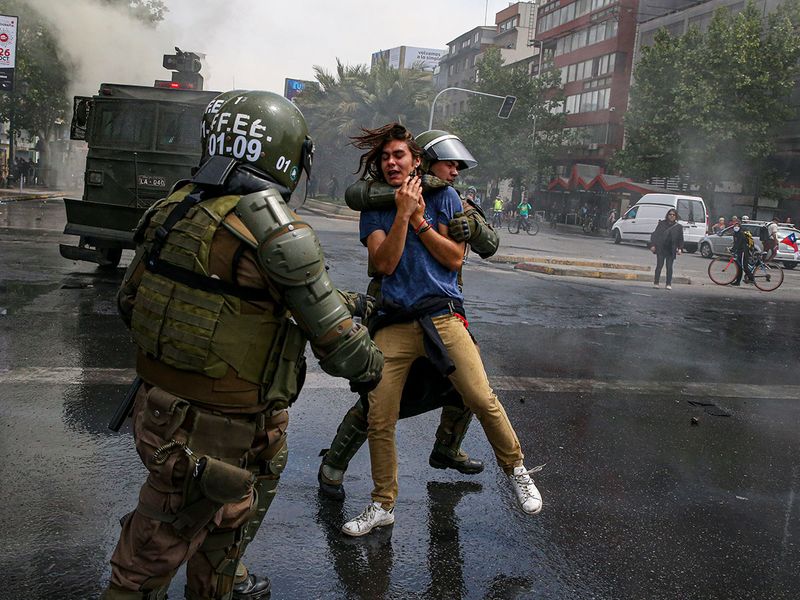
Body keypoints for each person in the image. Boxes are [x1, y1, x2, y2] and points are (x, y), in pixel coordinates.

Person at [102, 91, 384, 600]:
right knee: (150, 556)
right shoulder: (273, 229)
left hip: (158, 408)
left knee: (229, 513)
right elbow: (345, 353)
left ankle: (225, 580)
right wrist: (372, 363)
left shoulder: (177, 205)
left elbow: (132, 301)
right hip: (221, 426)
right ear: (284, 154)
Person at [340, 123, 542, 538]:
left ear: (416, 161)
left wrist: (419, 220)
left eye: (399, 155)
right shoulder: (375, 206)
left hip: (442, 315)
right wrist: (401, 214)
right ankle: (382, 504)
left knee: (480, 397)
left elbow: (453, 259)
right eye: (385, 157)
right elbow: (384, 264)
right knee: (379, 415)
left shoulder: (446, 197)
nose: (391, 162)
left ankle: (517, 470)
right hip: (395, 320)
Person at [317, 129, 498, 501]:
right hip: (393, 311)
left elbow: (489, 244)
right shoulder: (383, 198)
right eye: (448, 163)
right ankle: (334, 463)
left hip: (440, 310)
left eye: (458, 165)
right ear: (426, 163)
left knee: (469, 384)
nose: (455, 171)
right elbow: (360, 203)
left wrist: (474, 227)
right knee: (378, 399)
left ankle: (446, 447)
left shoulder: (449, 198)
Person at [648, 208, 684, 290]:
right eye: (670, 214)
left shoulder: (678, 227)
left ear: (676, 216)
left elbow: (680, 238)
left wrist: (680, 248)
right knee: (659, 266)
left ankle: (668, 284)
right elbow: (655, 235)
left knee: (669, 267)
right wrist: (653, 245)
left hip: (671, 249)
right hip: (661, 248)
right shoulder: (662, 224)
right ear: (667, 215)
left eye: (673, 215)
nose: (671, 216)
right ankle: (656, 282)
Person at [731, 221, 754, 286]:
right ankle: (737, 282)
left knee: (744, 266)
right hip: (740, 251)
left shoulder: (741, 233)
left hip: (744, 251)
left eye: (737, 226)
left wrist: (733, 250)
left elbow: (739, 243)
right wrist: (733, 249)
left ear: (740, 227)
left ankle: (751, 278)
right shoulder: (735, 234)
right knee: (739, 267)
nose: (736, 227)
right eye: (735, 226)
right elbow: (735, 243)